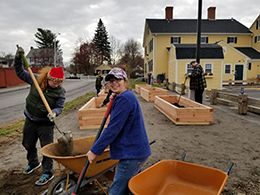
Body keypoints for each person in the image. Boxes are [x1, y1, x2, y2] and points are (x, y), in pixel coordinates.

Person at [86, 67, 151, 195]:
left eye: (118, 80)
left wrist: (95, 150)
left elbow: (112, 129)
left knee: (116, 191)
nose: (114, 83)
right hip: (137, 151)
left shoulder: (124, 99)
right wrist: (114, 100)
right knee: (128, 186)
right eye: (111, 81)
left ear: (125, 81)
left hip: (131, 154)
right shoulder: (125, 96)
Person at [14, 47, 66, 186]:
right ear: (48, 78)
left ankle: (47, 172)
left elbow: (60, 106)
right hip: (30, 119)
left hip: (46, 124)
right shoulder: (36, 80)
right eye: (54, 81)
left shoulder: (60, 92)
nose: (57, 84)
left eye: (59, 82)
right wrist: (18, 58)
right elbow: (19, 71)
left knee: (47, 149)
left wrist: (54, 112)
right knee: (27, 143)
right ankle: (33, 163)